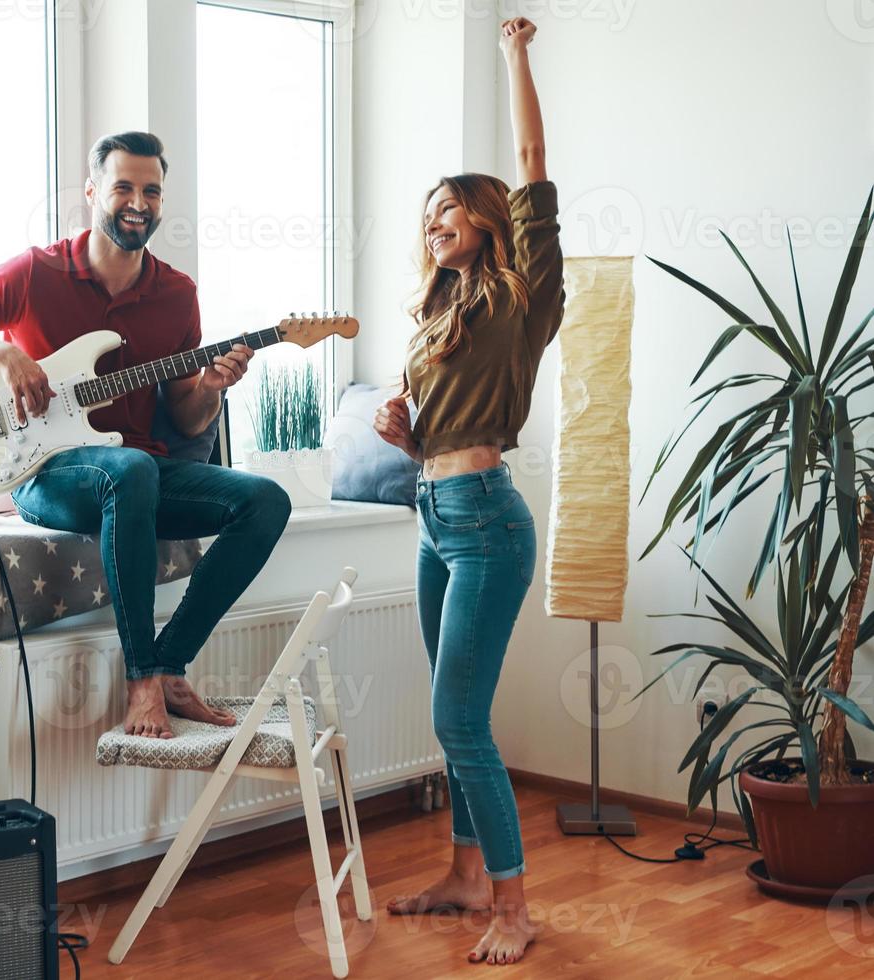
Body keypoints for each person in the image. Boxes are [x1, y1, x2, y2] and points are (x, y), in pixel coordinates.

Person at [0, 131, 292, 740]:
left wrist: (213, 387)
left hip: (135, 471)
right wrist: (1, 356)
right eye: (123, 187)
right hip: (44, 473)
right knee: (131, 470)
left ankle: (168, 664)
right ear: (92, 192)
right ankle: (141, 678)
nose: (137, 201)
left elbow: (185, 417)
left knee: (267, 500)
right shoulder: (36, 272)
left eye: (151, 190)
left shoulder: (177, 294)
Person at [373, 17, 561, 967]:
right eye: (427, 213)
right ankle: (462, 877)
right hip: (434, 515)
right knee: (451, 714)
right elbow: (435, 430)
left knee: (460, 719)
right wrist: (406, 435)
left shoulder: (522, 293)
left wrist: (513, 54)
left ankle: (514, 906)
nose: (433, 220)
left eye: (449, 208)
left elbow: (532, 158)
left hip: (489, 524)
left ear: (490, 217)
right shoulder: (440, 311)